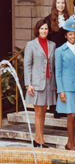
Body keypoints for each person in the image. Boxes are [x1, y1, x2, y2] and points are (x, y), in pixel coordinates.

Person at [24, 19, 57, 148]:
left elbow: (53, 65)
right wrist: (28, 84)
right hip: (36, 83)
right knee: (38, 111)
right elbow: (27, 65)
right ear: (37, 30)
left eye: (46, 29)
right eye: (42, 28)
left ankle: (37, 138)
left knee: (44, 111)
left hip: (49, 82)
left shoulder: (52, 45)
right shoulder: (31, 45)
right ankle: (40, 139)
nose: (44, 31)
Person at [55, 18, 75, 150]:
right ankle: (71, 142)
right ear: (66, 35)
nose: (73, 36)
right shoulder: (60, 51)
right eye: (70, 34)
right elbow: (58, 72)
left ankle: (70, 142)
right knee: (71, 114)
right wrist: (61, 90)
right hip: (67, 88)